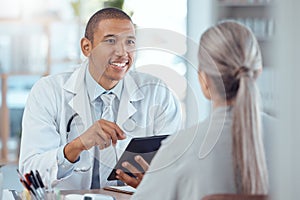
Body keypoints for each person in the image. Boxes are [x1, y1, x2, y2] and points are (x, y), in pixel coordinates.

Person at [18, 7, 182, 190]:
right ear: (86, 47)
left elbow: (176, 168)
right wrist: (78, 145)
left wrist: (153, 182)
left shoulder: (158, 93)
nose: (122, 52)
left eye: (130, 42)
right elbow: (31, 172)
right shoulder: (48, 91)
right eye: (110, 41)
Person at [119, 21, 273, 199]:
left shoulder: (179, 149)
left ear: (204, 80)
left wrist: (153, 185)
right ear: (258, 73)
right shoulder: (292, 141)